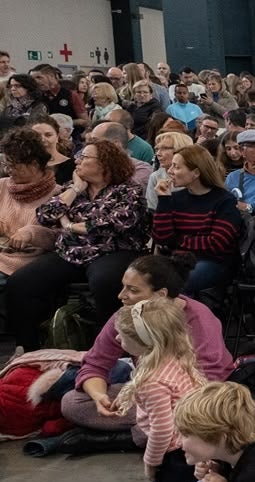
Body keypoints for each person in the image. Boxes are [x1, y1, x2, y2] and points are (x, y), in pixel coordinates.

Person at [6, 139, 149, 350]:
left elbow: (113, 224)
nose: (77, 161)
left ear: (104, 163)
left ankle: (106, 348)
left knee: (105, 281)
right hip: (71, 252)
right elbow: (45, 215)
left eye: (84, 157)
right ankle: (28, 348)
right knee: (21, 282)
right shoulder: (73, 189)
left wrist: (69, 225)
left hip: (113, 251)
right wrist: (74, 189)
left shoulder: (128, 190)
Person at [111, 298, 208, 482]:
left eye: (123, 336)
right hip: (194, 439)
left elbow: (163, 429)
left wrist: (151, 461)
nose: (117, 338)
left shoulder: (152, 381)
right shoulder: (175, 356)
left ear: (145, 342)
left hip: (175, 452)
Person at [152, 145, 243, 297]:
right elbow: (161, 238)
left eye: (176, 167)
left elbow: (217, 243)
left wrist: (177, 241)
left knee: (177, 284)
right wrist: (163, 200)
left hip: (212, 261)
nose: (170, 171)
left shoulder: (224, 201)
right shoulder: (174, 198)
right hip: (177, 259)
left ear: (195, 173)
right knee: (143, 279)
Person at [0, 128, 57, 288]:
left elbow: (59, 239)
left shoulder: (59, 194)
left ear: (34, 164)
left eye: (14, 166)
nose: (8, 170)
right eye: (6, 164)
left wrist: (31, 233)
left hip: (25, 263)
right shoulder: (2, 185)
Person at [145, 131, 193, 210]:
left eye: (165, 148)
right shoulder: (155, 177)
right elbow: (152, 210)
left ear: (180, 149)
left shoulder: (195, 176)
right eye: (157, 149)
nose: (158, 154)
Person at [27, 115, 75, 185]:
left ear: (57, 136)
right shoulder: (22, 161)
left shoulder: (70, 164)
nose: (42, 139)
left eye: (48, 135)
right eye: (37, 135)